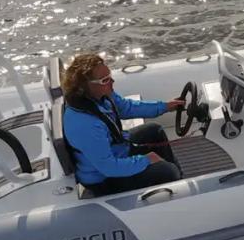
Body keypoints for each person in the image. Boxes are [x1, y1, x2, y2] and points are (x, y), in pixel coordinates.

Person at [61, 53, 185, 196]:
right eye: (105, 80)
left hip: (117, 150)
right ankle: (174, 184)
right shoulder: (84, 124)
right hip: (104, 179)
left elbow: (126, 108)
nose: (112, 81)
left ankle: (177, 179)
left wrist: (165, 107)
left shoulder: (101, 96)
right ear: (85, 86)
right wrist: (146, 160)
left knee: (154, 131)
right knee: (166, 171)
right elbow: (109, 167)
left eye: (110, 76)